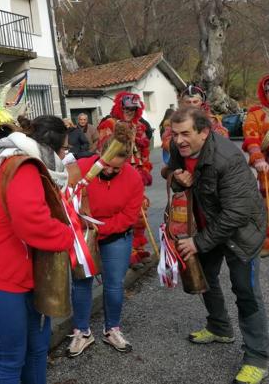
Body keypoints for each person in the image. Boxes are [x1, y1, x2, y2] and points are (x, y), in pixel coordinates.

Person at [0, 115, 74, 384]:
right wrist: (69, 235)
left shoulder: (10, 160)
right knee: (10, 358)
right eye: (65, 149)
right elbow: (31, 222)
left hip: (20, 275)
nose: (67, 155)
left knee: (36, 349)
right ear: (53, 149)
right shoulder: (23, 166)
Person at [166, 106, 269, 384]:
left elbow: (236, 213)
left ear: (204, 131)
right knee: (205, 277)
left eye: (185, 133)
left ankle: (258, 358)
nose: (179, 141)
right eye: (175, 134)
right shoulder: (180, 149)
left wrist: (198, 242)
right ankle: (221, 328)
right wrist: (177, 181)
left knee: (246, 291)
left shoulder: (228, 158)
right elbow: (173, 176)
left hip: (240, 232)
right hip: (207, 225)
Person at [67, 122, 144, 358]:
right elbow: (66, 197)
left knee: (113, 284)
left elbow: (129, 215)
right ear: (100, 154)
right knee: (81, 283)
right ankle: (82, 331)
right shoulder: (81, 168)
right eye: (107, 166)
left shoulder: (133, 178)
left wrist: (102, 228)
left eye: (116, 169)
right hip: (83, 234)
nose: (109, 171)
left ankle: (112, 329)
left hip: (115, 236)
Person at [97, 92, 152, 265]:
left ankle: (138, 250)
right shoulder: (109, 124)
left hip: (136, 177)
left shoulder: (139, 126)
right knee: (123, 214)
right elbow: (104, 151)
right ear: (120, 108)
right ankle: (125, 254)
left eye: (133, 109)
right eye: (126, 108)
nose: (129, 111)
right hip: (117, 174)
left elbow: (144, 152)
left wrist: (144, 168)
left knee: (141, 212)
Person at [161, 85, 229, 159]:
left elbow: (223, 140)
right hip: (182, 160)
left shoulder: (212, 120)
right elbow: (167, 142)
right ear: (183, 103)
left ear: (201, 102)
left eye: (195, 102)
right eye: (188, 102)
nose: (192, 105)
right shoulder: (173, 121)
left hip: (209, 159)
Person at [242, 74, 269, 257]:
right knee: (267, 201)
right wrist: (258, 158)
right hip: (267, 164)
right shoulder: (256, 114)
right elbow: (251, 138)